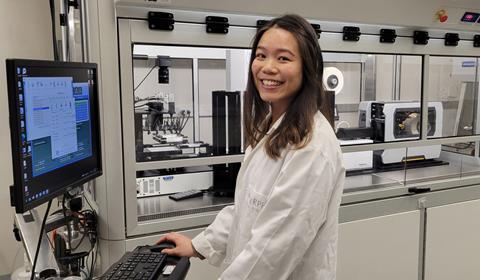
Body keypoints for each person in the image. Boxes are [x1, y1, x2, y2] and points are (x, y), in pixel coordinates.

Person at [157, 14, 345, 280]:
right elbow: (246, 209)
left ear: (308, 68)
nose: (267, 67)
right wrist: (198, 245)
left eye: (283, 58)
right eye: (261, 55)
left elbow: (272, 251)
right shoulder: (273, 126)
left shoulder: (312, 148)